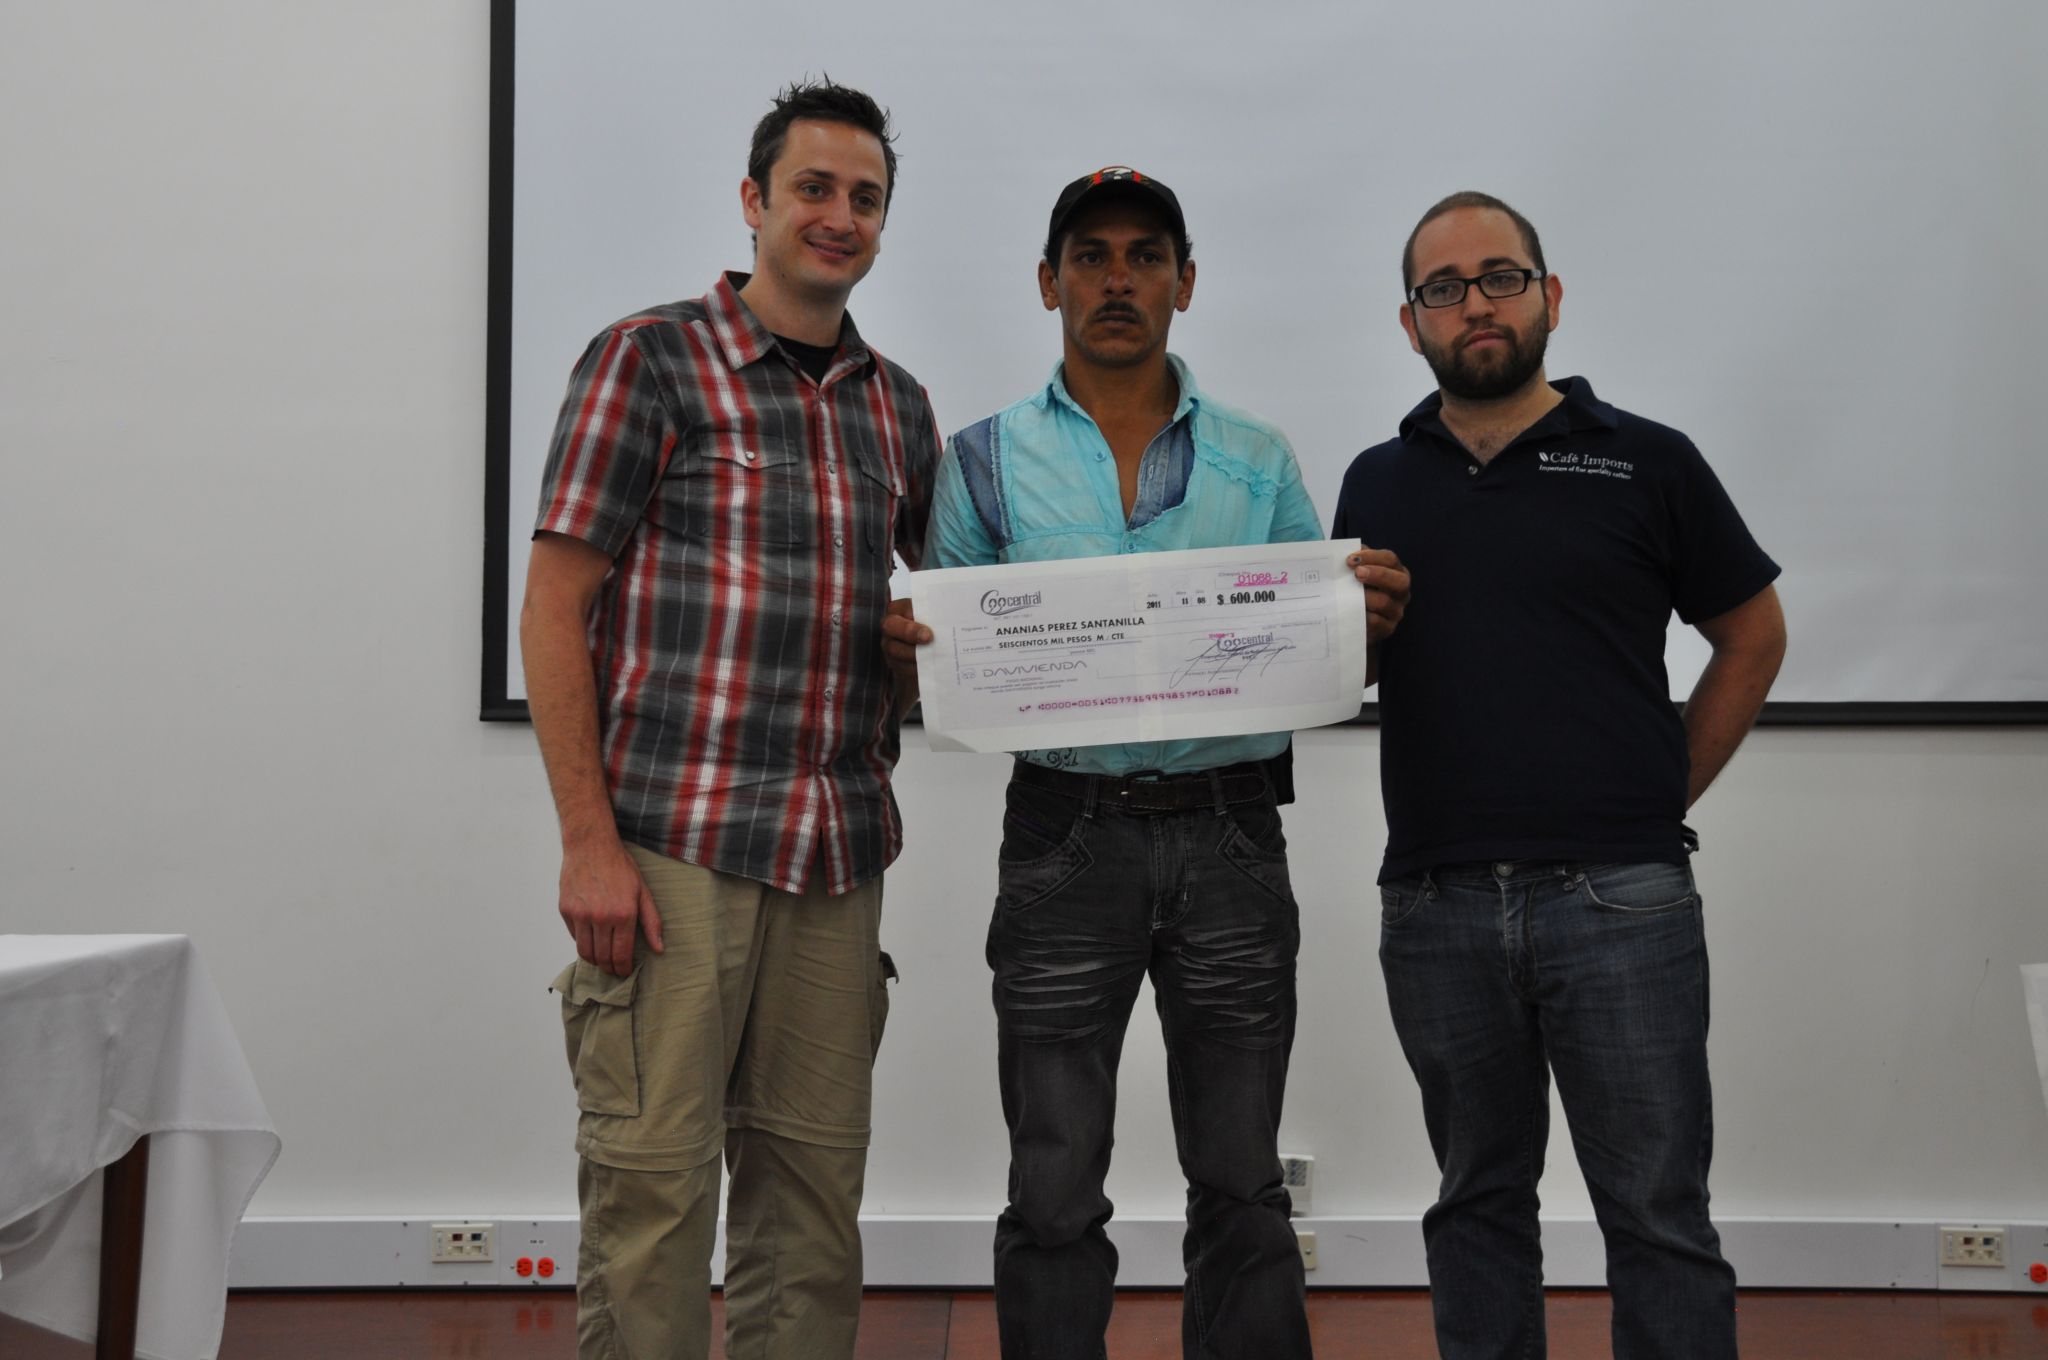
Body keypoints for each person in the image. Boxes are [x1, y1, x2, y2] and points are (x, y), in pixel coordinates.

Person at [885, 166, 1410, 1359]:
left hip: (1230, 835)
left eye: (1143, 256)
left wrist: (1365, 624)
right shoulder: (979, 461)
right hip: (1062, 836)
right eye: (1090, 256)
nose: (1115, 279)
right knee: (1052, 1185)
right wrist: (909, 651)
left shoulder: (1255, 458)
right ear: (1047, 281)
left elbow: (1321, 655)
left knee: (1242, 1181)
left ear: (1185, 281)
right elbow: (940, 671)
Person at [521, 79, 939, 1360]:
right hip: (670, 854)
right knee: (650, 1200)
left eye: (864, 197)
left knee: (810, 1215)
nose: (839, 216)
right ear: (753, 200)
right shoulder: (646, 358)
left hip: (835, 857)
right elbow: (553, 605)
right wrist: (586, 844)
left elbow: (926, 626)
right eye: (813, 188)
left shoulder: (898, 406)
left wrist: (923, 658)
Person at [1335, 191, 1788, 1359]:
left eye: (1500, 276)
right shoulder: (1373, 483)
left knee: (1656, 1215)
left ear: (1548, 296)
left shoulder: (1648, 460)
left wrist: (1656, 795)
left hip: (1620, 901)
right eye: (1443, 288)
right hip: (1433, 902)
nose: (1475, 303)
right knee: (1474, 1206)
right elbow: (1344, 673)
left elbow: (1751, 634)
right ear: (1409, 322)